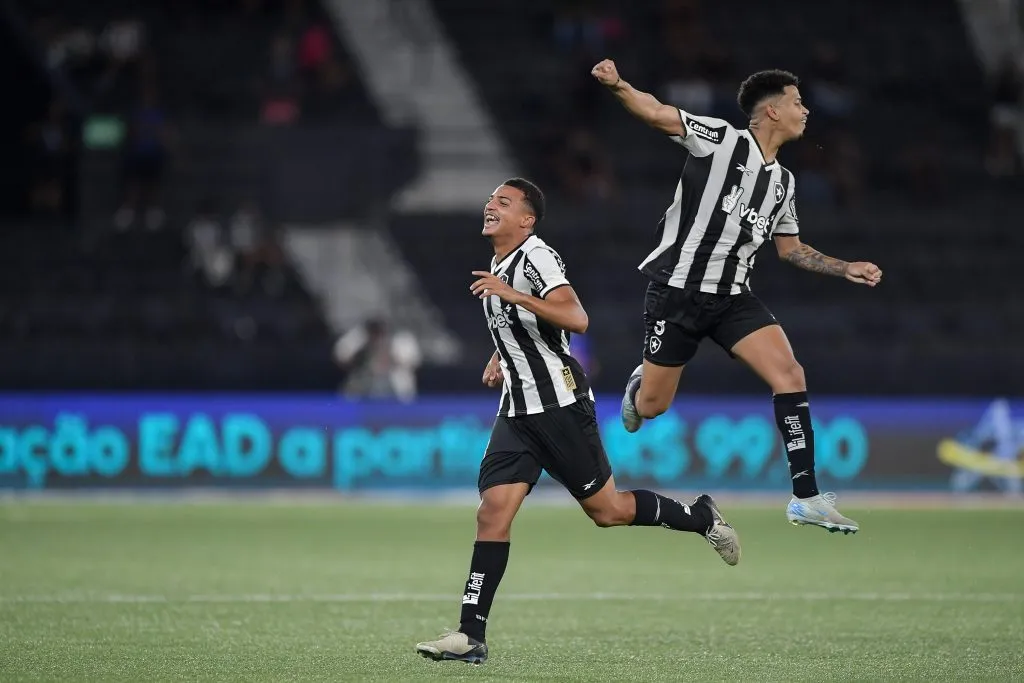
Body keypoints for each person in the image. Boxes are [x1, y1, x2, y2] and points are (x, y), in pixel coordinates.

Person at [414, 178, 740, 665]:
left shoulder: (537, 258)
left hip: (559, 406)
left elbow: (576, 316)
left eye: (503, 202)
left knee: (607, 511)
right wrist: (503, 354)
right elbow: (531, 329)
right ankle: (470, 635)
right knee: (492, 512)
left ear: (527, 219)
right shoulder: (503, 264)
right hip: (518, 411)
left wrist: (514, 296)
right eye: (489, 200)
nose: (490, 205)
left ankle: (700, 517)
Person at [591, 59, 883, 534]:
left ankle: (805, 497)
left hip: (732, 298)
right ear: (771, 112)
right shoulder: (721, 139)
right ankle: (638, 386)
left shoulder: (785, 184)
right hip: (677, 293)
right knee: (651, 408)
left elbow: (790, 249)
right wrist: (619, 84)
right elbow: (657, 113)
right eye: (797, 102)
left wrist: (842, 266)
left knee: (790, 374)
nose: (805, 110)